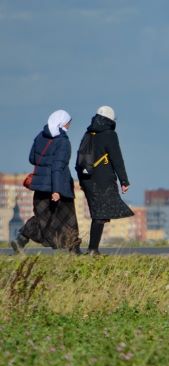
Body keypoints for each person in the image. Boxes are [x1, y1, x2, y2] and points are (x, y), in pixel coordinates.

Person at [11, 110, 82, 254]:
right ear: (62, 123)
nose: (69, 125)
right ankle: (74, 249)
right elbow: (57, 168)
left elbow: (32, 158)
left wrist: (44, 164)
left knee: (42, 218)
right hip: (59, 186)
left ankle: (21, 240)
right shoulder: (63, 142)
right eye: (68, 123)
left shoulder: (40, 136)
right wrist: (56, 190)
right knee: (68, 218)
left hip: (40, 185)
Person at [76, 106, 133, 256]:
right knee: (100, 214)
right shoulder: (110, 135)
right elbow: (117, 159)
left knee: (98, 213)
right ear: (111, 119)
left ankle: (93, 249)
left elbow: (79, 159)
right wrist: (124, 180)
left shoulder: (88, 133)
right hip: (103, 179)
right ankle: (93, 249)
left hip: (87, 179)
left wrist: (82, 181)